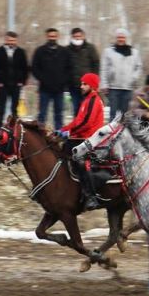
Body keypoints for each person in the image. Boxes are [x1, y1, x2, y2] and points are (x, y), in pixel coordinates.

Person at [57, 73, 105, 210]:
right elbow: (78, 122)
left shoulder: (94, 100)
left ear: (92, 86)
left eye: (85, 84)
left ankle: (91, 196)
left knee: (78, 159)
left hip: (90, 139)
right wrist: (63, 129)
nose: (81, 86)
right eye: (81, 83)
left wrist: (68, 133)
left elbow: (86, 123)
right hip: (82, 137)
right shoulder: (87, 100)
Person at [32, 28, 73, 130]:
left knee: (59, 114)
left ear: (57, 36)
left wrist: (63, 81)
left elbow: (69, 68)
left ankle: (58, 135)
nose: (52, 38)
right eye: (50, 36)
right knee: (42, 114)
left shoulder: (64, 52)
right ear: (47, 36)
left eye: (54, 36)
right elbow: (34, 68)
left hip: (59, 89)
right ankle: (40, 135)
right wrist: (43, 79)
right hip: (44, 89)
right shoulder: (40, 51)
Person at [0, 31, 29, 129]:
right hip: (3, 85)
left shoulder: (21, 52)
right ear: (6, 40)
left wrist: (22, 81)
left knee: (15, 109)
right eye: (9, 40)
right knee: (1, 109)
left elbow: (25, 68)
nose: (11, 42)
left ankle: (14, 130)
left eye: (13, 40)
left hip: (16, 85)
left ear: (16, 41)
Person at [101, 28, 143, 118]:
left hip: (127, 88)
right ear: (116, 38)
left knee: (125, 115)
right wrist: (104, 84)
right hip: (113, 87)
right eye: (119, 37)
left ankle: (123, 132)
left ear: (126, 38)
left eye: (123, 37)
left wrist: (133, 78)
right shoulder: (108, 52)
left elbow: (139, 67)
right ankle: (112, 132)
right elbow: (103, 69)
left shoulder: (134, 52)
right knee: (113, 114)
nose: (121, 39)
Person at [67, 27, 99, 113]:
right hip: (73, 85)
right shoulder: (67, 49)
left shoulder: (90, 48)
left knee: (88, 109)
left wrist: (94, 81)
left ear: (83, 36)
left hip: (88, 86)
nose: (77, 38)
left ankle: (88, 126)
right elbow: (65, 67)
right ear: (72, 37)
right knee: (76, 109)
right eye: (75, 36)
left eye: (79, 36)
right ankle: (77, 126)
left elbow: (96, 63)